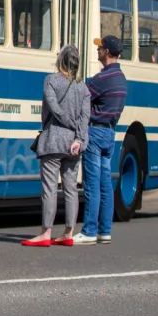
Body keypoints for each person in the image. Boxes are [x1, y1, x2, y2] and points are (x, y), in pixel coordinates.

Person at [22, 44, 90, 247]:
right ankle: (69, 232)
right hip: (74, 145)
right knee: (71, 189)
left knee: (50, 189)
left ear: (60, 61)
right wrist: (78, 137)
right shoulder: (83, 88)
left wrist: (67, 125)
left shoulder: (50, 81)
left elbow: (53, 109)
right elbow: (85, 118)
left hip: (54, 140)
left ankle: (46, 232)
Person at [74, 35, 129, 245]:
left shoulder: (102, 79)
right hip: (110, 133)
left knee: (91, 183)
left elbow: (82, 101)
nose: (97, 51)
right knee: (106, 184)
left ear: (107, 52)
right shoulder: (121, 79)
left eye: (100, 48)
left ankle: (89, 230)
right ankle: (105, 231)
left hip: (95, 133)